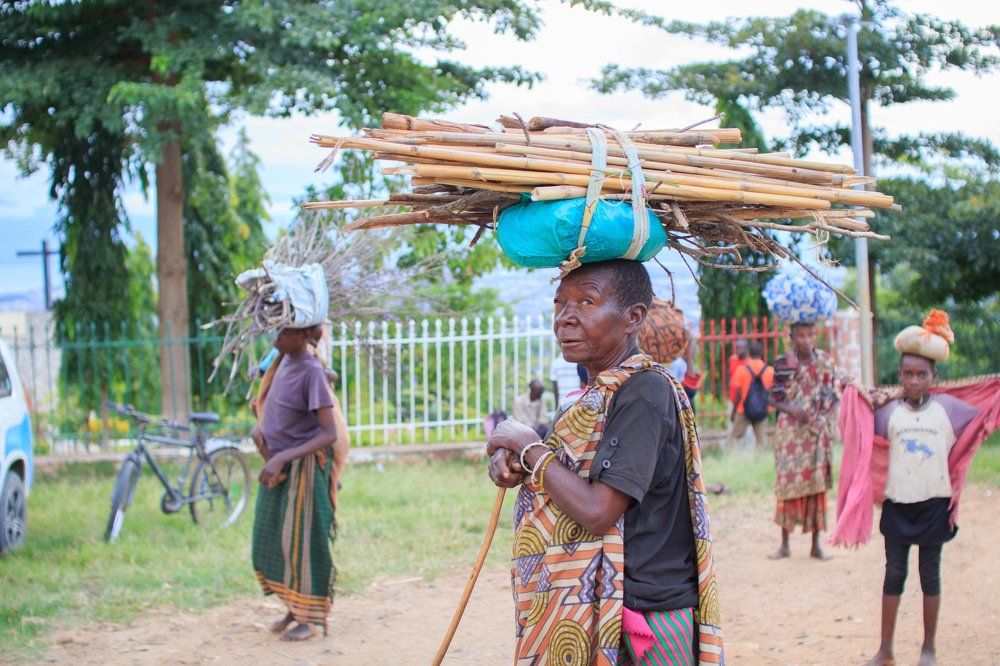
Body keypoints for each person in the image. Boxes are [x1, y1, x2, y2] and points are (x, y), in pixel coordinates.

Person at [487, 259, 723, 665]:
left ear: (633, 317)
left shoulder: (644, 394)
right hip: (608, 604)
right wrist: (516, 464)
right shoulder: (593, 397)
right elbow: (564, 473)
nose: (565, 319)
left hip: (645, 617)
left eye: (586, 302)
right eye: (560, 303)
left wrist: (531, 448)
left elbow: (598, 510)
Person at [829, 311, 998, 666]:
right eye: (908, 374)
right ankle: (885, 649)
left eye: (922, 374)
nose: (915, 380)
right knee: (894, 572)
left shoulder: (949, 409)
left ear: (934, 377)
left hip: (935, 505)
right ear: (900, 375)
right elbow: (859, 419)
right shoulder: (888, 412)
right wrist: (854, 391)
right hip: (898, 505)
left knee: (929, 574)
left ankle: (928, 649)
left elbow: (984, 412)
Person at [249, 324, 339, 641]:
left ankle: (309, 619)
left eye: (284, 332)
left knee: (302, 546)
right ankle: (293, 607)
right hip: (279, 465)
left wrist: (281, 458)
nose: (275, 337)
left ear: (304, 336)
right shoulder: (283, 359)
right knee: (270, 542)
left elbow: (330, 433)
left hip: (302, 470)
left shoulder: (311, 371)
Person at [768, 322, 840, 561]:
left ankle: (816, 545)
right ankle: (784, 544)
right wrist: (791, 408)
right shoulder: (783, 363)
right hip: (790, 435)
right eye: (801, 335)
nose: (806, 340)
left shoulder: (826, 362)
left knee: (817, 487)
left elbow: (835, 397)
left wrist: (824, 418)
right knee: (787, 485)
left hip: (817, 433)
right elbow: (774, 398)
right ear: (791, 337)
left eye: (810, 334)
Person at [728, 341, 774, 450]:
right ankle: (757, 462)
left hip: (743, 410)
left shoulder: (741, 370)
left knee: (735, 437)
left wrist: (733, 411)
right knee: (761, 441)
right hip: (762, 410)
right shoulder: (770, 371)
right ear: (761, 353)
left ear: (749, 352)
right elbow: (771, 392)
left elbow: (738, 394)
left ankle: (735, 460)